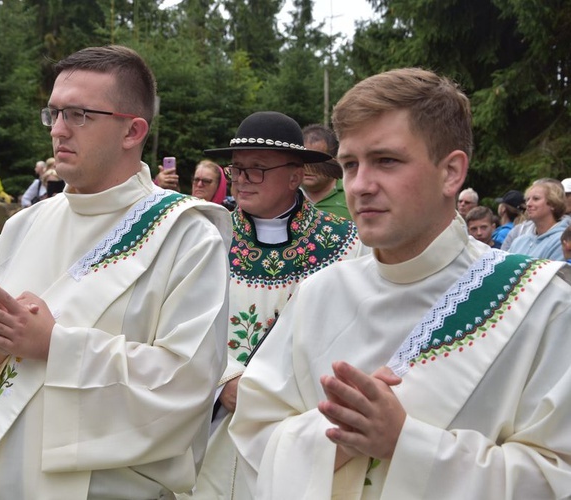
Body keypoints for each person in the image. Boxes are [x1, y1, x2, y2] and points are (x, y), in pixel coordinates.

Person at [229, 68, 571, 499]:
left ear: (451, 172)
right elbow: (256, 431)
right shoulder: (319, 291)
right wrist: (335, 438)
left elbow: (558, 475)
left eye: (386, 161)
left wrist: (405, 443)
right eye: (351, 164)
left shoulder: (541, 303)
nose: (361, 186)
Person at [0, 45, 232, 499]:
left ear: (132, 131)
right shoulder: (25, 224)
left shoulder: (187, 235)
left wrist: (54, 345)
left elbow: (186, 382)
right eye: (53, 114)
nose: (57, 131)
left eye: (78, 115)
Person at [181, 111, 364, 499]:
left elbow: (362, 328)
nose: (243, 180)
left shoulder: (348, 245)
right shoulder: (207, 240)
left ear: (295, 175)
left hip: (303, 426)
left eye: (257, 169)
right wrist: (224, 381)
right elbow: (181, 322)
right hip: (215, 427)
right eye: (238, 169)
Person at [509, 178, 570, 260]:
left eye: (536, 199)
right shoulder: (519, 242)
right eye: (527, 199)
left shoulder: (562, 241)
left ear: (553, 204)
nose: (528, 204)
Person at [301, 124, 351, 219]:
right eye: (304, 158)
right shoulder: (285, 195)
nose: (309, 167)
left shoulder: (352, 193)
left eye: (317, 159)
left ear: (335, 160)